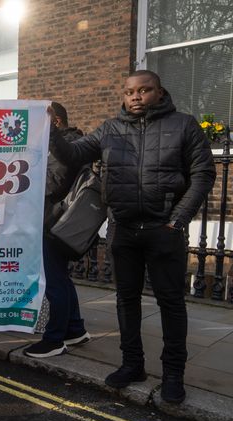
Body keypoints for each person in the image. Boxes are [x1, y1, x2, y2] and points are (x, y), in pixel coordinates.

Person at [49, 70, 216, 404]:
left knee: (170, 303)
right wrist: (50, 132)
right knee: (126, 300)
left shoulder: (184, 125)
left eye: (144, 90)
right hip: (123, 229)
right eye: (129, 92)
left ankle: (173, 375)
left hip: (164, 231)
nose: (136, 96)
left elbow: (203, 174)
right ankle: (132, 364)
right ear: (123, 96)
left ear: (159, 92)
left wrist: (178, 219)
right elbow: (74, 154)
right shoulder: (110, 129)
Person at [24, 102, 90, 358]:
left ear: (56, 122)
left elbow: (55, 183)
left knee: (54, 282)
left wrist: (22, 179)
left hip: (54, 222)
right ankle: (75, 329)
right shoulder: (65, 143)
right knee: (60, 277)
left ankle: (54, 339)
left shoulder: (68, 145)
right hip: (55, 220)